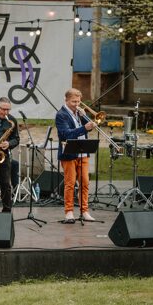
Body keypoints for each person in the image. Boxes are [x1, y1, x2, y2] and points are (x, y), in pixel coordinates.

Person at [55, 88, 96, 223]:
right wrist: (85, 128)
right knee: (70, 183)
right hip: (69, 153)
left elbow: (86, 128)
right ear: (66, 100)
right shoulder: (61, 115)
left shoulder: (79, 113)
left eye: (78, 101)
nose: (76, 104)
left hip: (83, 151)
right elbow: (66, 134)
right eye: (73, 102)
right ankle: (69, 212)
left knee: (85, 182)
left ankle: (84, 211)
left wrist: (84, 118)